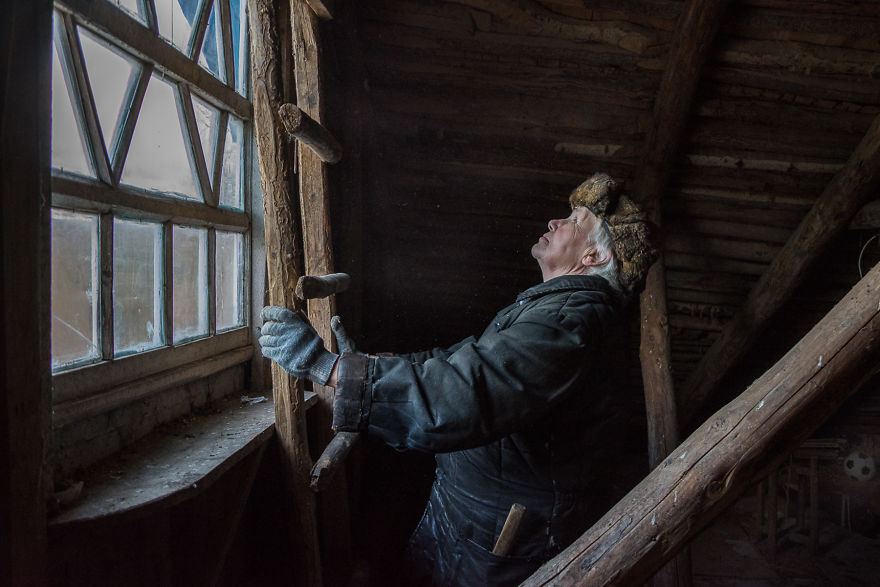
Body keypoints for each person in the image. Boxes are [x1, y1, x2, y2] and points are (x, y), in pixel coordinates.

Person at [259, 172, 659, 586]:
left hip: (503, 533)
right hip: (480, 517)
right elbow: (460, 361)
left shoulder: (568, 321)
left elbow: (462, 396)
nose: (557, 223)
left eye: (574, 220)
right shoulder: (558, 309)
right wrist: (361, 364)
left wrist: (327, 367)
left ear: (594, 257)